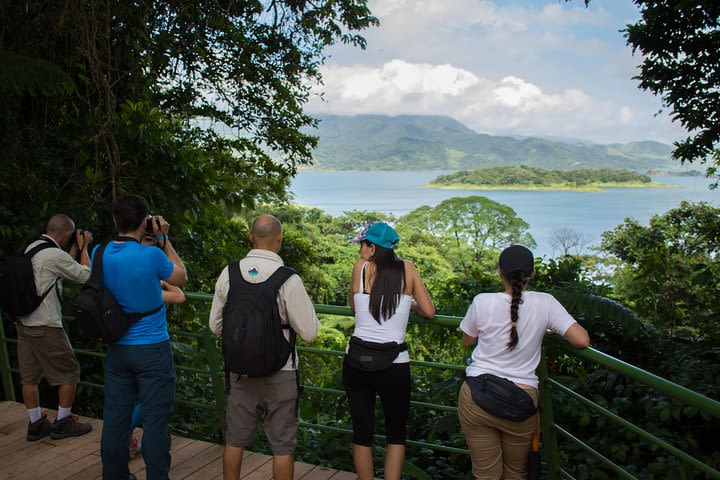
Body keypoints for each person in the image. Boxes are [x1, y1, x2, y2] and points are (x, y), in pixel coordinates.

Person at [458, 245, 590, 480]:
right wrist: (546, 328)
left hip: (477, 395)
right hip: (521, 403)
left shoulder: (482, 301)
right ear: (533, 273)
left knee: (486, 474)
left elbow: (468, 340)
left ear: (500, 273)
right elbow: (581, 340)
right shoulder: (545, 303)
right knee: (516, 473)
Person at [209, 214, 319, 480]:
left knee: (234, 440)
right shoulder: (288, 279)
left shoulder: (230, 273)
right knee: (282, 447)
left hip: (240, 371)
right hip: (280, 371)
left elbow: (215, 326)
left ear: (250, 236)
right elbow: (309, 332)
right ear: (279, 239)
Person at [99, 194, 187, 480]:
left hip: (117, 348)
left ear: (115, 219)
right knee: (155, 422)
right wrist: (163, 239)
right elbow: (180, 277)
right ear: (144, 221)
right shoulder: (151, 255)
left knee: (115, 421)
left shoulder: (100, 253)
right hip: (152, 350)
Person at [344, 222, 435, 480]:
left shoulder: (359, 268)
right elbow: (429, 312)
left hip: (356, 361)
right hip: (394, 364)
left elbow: (354, 307)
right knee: (396, 434)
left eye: (363, 244)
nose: (360, 249)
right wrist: (412, 304)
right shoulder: (408, 269)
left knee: (362, 432)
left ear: (372, 248)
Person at [17, 214, 94, 441]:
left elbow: (60, 268)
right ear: (68, 234)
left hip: (24, 324)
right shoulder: (54, 255)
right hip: (46, 326)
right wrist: (85, 248)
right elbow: (84, 275)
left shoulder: (32, 247)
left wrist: (73, 250)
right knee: (70, 372)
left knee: (29, 380)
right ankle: (62, 423)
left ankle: (36, 425)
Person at [128, 233, 187, 458]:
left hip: (123, 345)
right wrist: (163, 280)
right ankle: (128, 435)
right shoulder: (153, 286)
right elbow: (179, 295)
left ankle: (125, 437)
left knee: (131, 395)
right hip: (151, 347)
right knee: (155, 396)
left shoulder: (123, 273)